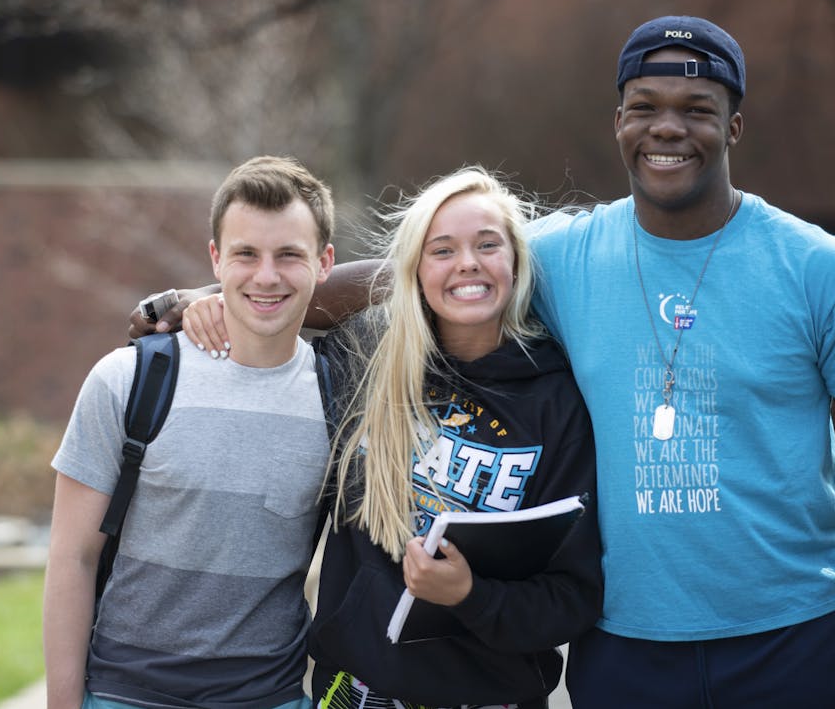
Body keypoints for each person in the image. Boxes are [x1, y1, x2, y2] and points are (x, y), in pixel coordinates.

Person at [132, 16, 835, 709]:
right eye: (644, 107)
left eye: (697, 108)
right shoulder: (563, 254)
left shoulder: (823, 269)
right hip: (625, 644)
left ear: (733, 125)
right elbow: (411, 269)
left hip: (789, 635)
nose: (667, 128)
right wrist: (219, 292)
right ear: (618, 119)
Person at [179, 167, 602, 708]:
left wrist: (471, 597)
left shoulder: (559, 401)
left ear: (517, 261)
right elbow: (271, 316)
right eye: (442, 250)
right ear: (416, 270)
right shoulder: (367, 357)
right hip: (354, 692)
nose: (468, 263)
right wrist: (205, 301)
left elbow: (573, 596)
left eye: (488, 245)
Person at [45, 155, 336, 709]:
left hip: (268, 698)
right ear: (215, 259)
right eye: (245, 253)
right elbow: (71, 558)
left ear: (324, 262)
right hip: (123, 694)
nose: (267, 275)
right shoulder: (128, 381)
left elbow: (408, 280)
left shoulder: (339, 396)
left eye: (289, 255)